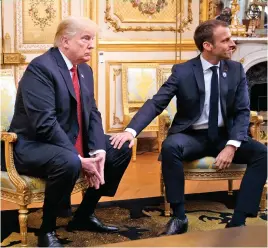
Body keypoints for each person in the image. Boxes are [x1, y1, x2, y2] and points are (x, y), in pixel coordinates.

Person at [110, 19, 267, 236]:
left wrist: (232, 145)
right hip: (192, 136)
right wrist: (130, 131)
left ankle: (238, 220)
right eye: (226, 40)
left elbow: (242, 111)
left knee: (261, 153)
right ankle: (179, 216)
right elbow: (157, 102)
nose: (232, 44)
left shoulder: (236, 70)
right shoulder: (183, 71)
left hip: (224, 136)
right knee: (170, 147)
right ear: (207, 46)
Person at [10, 17, 132, 247]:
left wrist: (97, 150)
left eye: (93, 39)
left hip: (70, 140)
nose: (92, 45)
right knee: (68, 161)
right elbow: (44, 124)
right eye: (86, 39)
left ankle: (84, 215)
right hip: (34, 145)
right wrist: (78, 158)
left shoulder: (85, 70)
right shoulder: (40, 68)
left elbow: (93, 112)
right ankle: (47, 230)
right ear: (65, 41)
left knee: (119, 147)